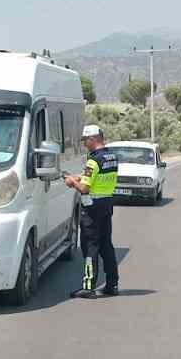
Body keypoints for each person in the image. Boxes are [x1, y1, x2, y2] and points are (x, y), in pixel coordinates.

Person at [63, 124, 119, 299]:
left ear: (93, 139)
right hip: (106, 203)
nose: (84, 144)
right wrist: (80, 176)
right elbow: (97, 177)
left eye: (85, 140)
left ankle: (88, 287)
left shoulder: (93, 161)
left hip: (92, 207)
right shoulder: (112, 157)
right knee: (106, 245)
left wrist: (72, 182)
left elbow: (84, 188)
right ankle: (112, 284)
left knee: (90, 247)